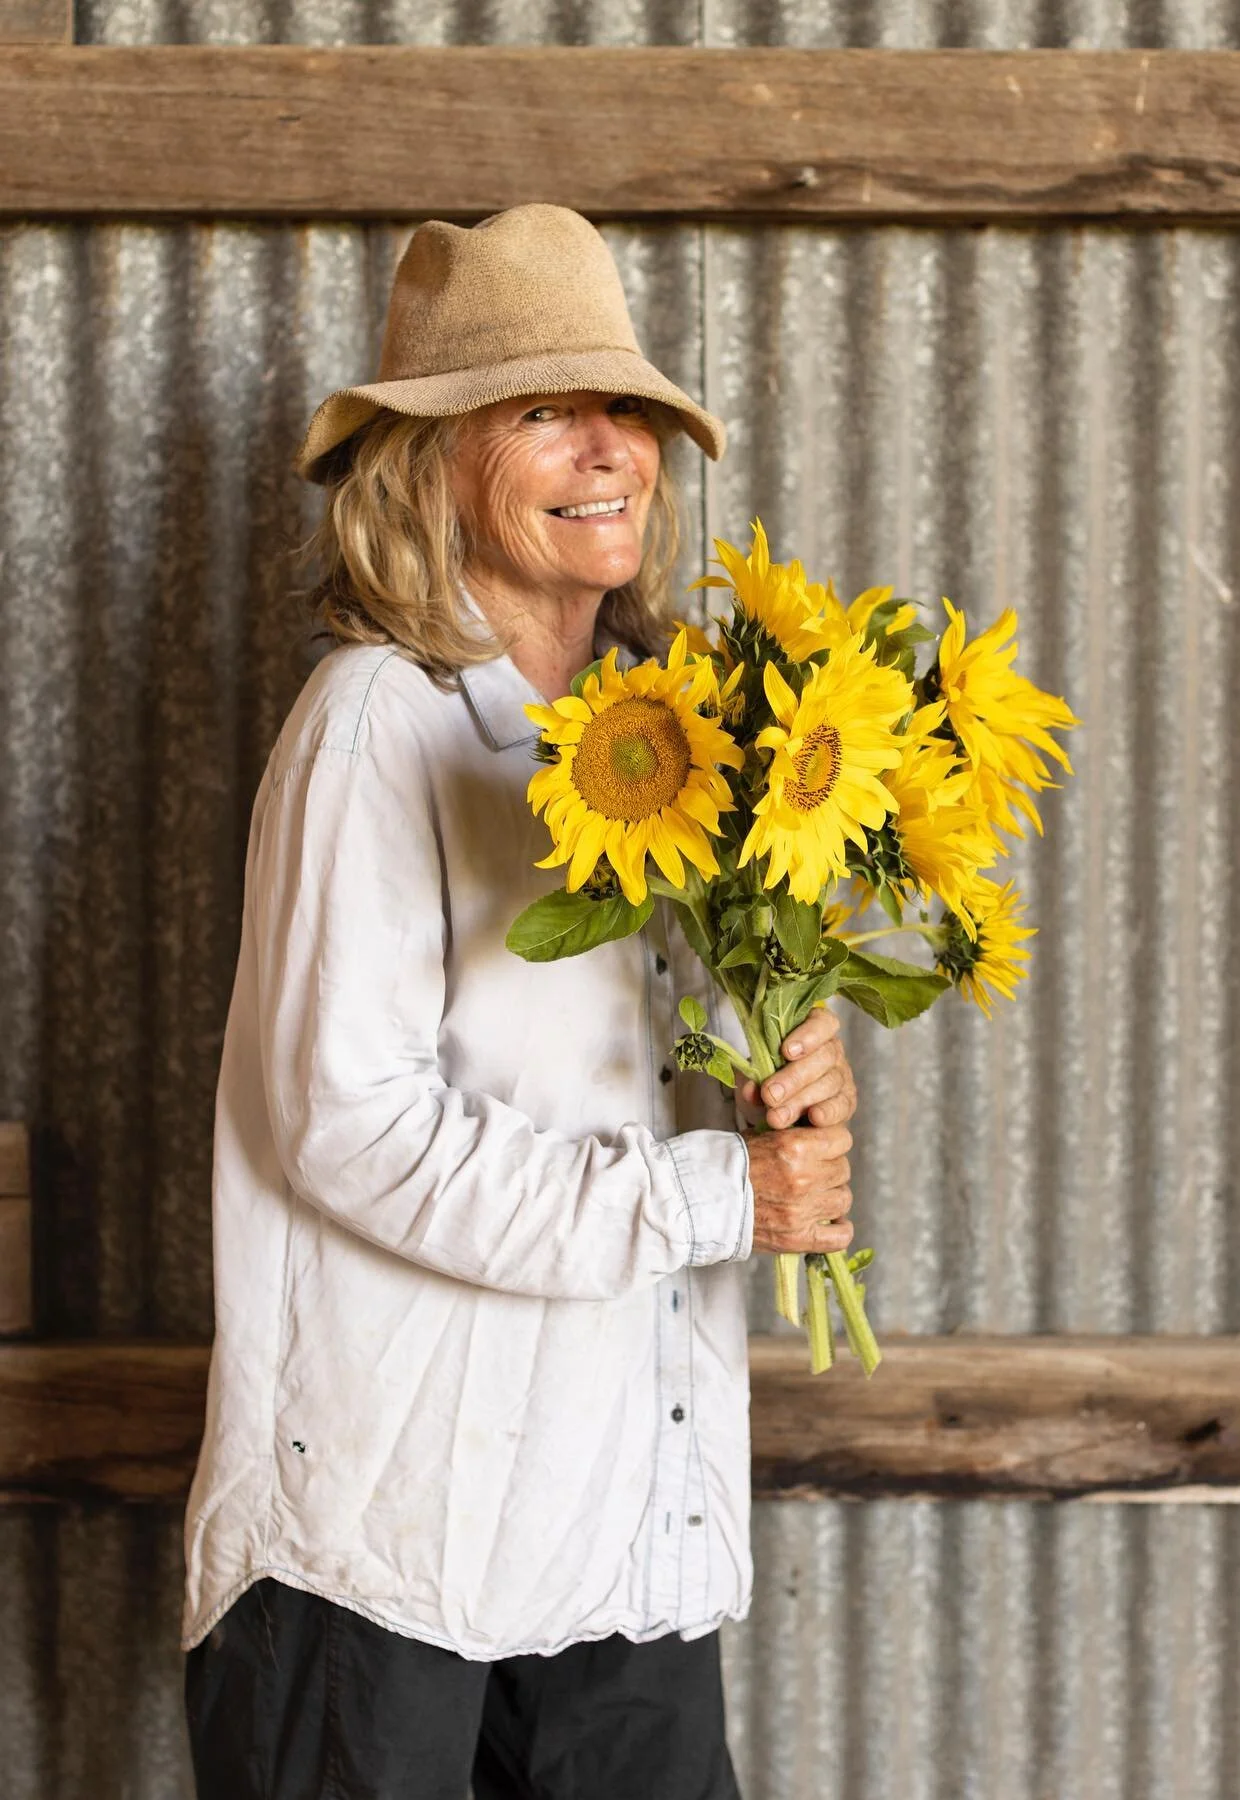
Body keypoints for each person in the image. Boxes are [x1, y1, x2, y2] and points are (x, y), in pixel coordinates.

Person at [180, 204, 859, 1800]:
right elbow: (351, 1124)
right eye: (544, 411)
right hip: (385, 1560)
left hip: (613, 1540)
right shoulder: (378, 725)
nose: (608, 448)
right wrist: (720, 1192)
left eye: (625, 408)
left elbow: (614, 1096)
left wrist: (774, 1079)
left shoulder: (664, 746)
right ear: (431, 463)